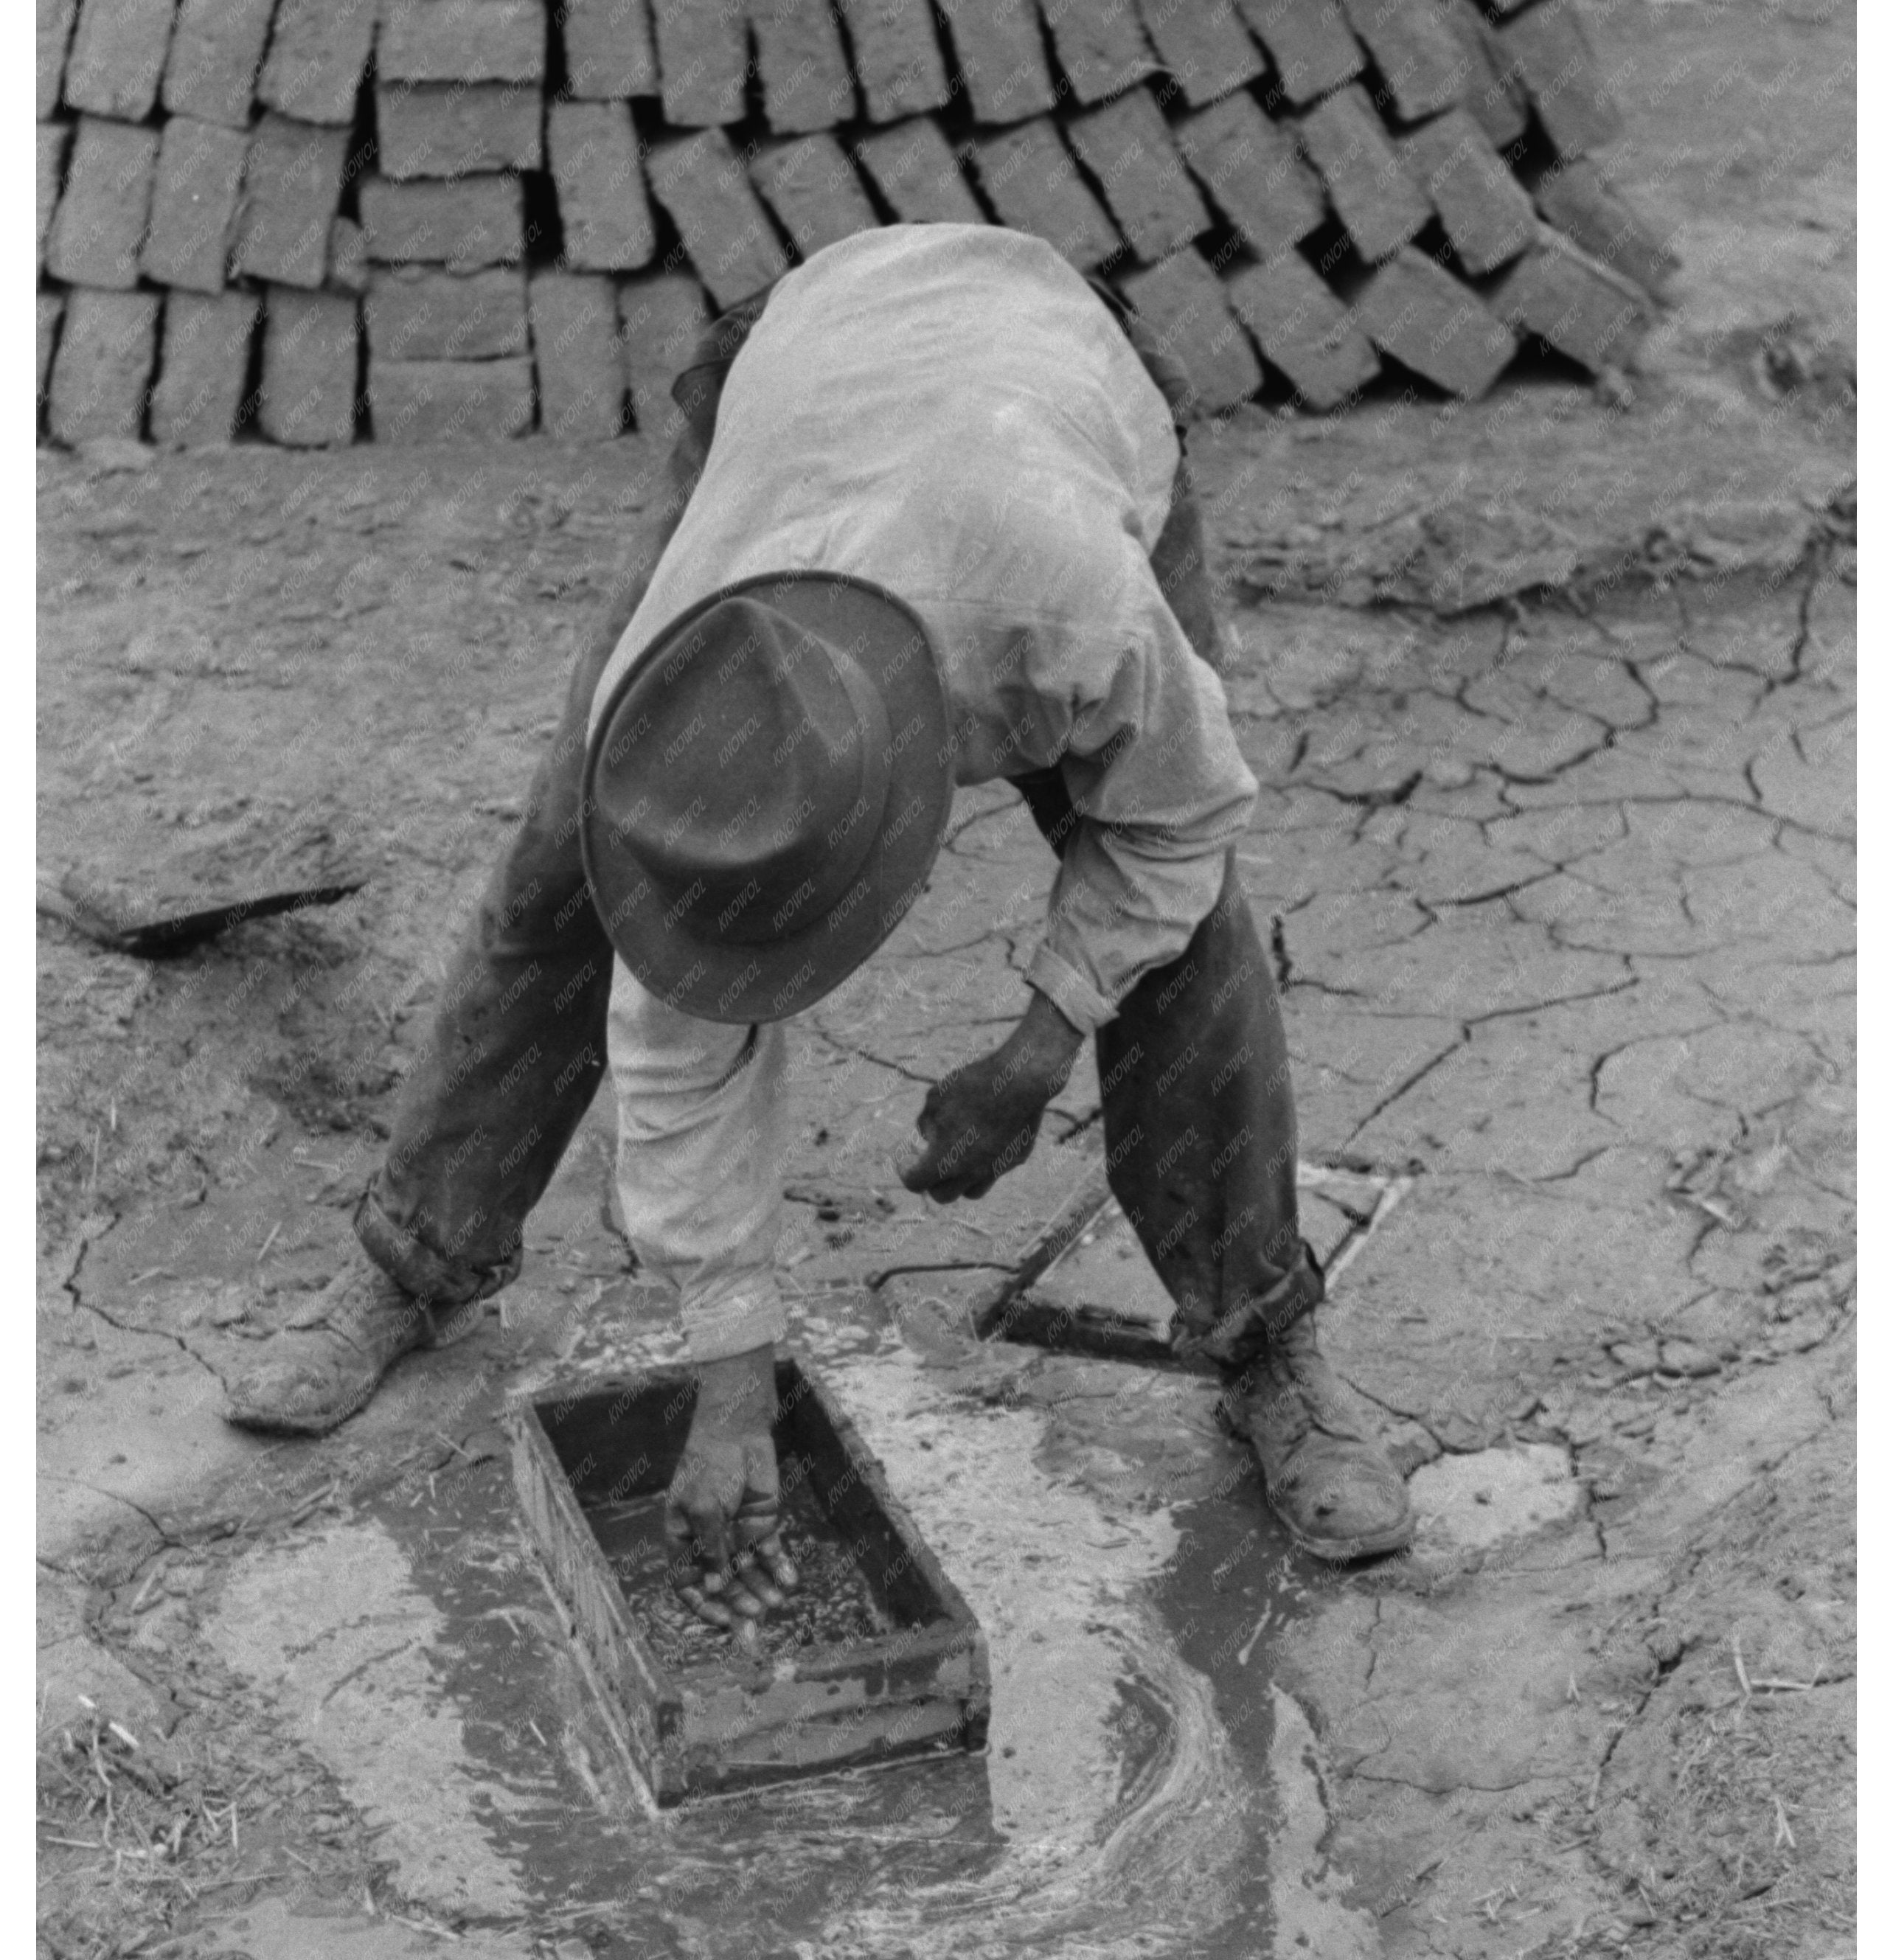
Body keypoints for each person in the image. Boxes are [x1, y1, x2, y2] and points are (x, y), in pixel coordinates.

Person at [227, 223, 1412, 1599]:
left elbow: (1183, 814)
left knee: (1187, 941)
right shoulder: (678, 685)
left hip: (1049, 390)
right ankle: (416, 1255)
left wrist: (1036, 1049)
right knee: (564, 869)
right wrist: (731, 1381)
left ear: (906, 820)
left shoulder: (1071, 610)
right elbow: (675, 1037)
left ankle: (1270, 1348)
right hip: (801, 377)